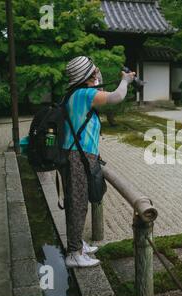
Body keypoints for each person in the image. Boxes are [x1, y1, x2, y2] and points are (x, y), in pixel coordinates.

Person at [63, 56, 135, 268]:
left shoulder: (75, 94)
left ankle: (77, 245)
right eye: (95, 71)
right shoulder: (85, 94)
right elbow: (117, 97)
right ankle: (74, 254)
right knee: (77, 202)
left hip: (77, 154)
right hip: (78, 155)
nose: (98, 74)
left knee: (77, 200)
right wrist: (125, 80)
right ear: (87, 76)